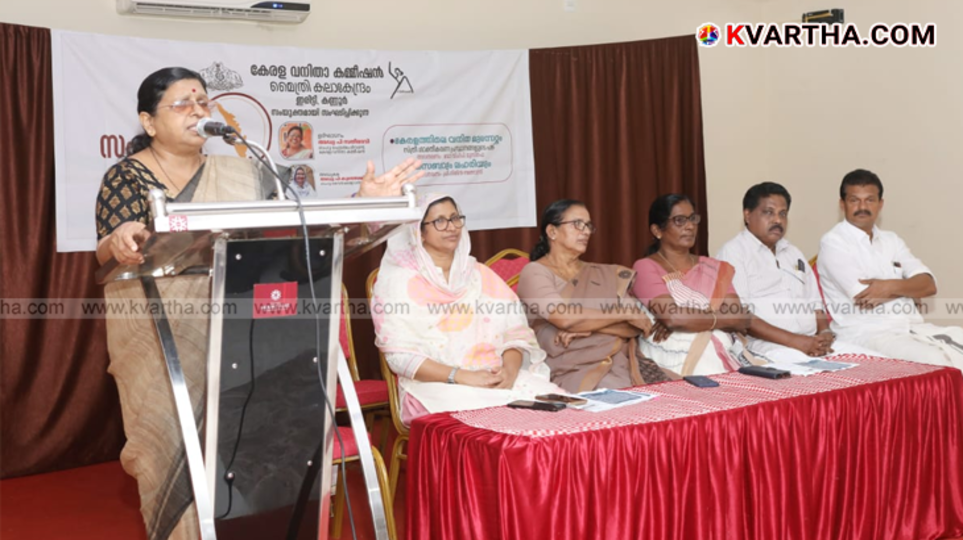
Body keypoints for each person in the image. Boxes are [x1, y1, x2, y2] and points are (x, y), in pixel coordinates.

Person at [95, 67, 424, 540]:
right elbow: (112, 244)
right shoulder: (127, 176)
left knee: (256, 455)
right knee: (171, 452)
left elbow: (294, 242)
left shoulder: (245, 172)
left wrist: (363, 202)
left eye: (203, 102)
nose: (198, 111)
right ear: (148, 122)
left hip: (247, 346)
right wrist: (120, 238)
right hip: (164, 341)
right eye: (182, 104)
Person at [371, 194, 560, 423]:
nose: (451, 227)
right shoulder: (400, 282)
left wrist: (509, 373)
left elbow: (516, 334)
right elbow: (400, 357)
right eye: (439, 221)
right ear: (419, 232)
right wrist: (461, 376)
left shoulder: (480, 274)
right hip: (434, 387)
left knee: (557, 407)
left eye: (455, 218)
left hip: (493, 378)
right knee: (492, 423)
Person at [516, 199, 669, 394]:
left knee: (677, 396)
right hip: (570, 368)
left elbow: (641, 324)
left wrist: (588, 329)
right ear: (552, 231)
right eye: (577, 224)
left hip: (621, 364)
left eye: (588, 225)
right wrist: (622, 313)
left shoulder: (604, 273)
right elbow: (564, 317)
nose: (586, 231)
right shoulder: (535, 272)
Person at [716, 182, 879, 363]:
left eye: (783, 214)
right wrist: (797, 342)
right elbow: (740, 315)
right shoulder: (733, 253)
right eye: (768, 212)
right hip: (763, 345)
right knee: (815, 375)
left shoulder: (793, 253)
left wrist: (824, 332)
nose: (777, 220)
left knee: (872, 361)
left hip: (810, 341)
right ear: (747, 215)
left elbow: (815, 303)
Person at [817, 169, 963, 368]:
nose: (862, 207)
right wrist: (909, 290)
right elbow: (865, 297)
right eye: (854, 200)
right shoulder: (833, 242)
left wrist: (887, 287)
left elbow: (929, 285)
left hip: (911, 326)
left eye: (870, 200)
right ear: (842, 204)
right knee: (935, 360)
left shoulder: (891, 240)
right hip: (868, 333)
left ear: (880, 204)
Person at [632, 194, 753, 376]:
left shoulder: (713, 267)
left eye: (693, 219)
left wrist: (686, 319)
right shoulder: (645, 267)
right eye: (679, 220)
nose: (690, 226)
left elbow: (740, 318)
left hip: (715, 346)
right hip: (668, 351)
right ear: (657, 230)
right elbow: (674, 318)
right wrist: (681, 320)